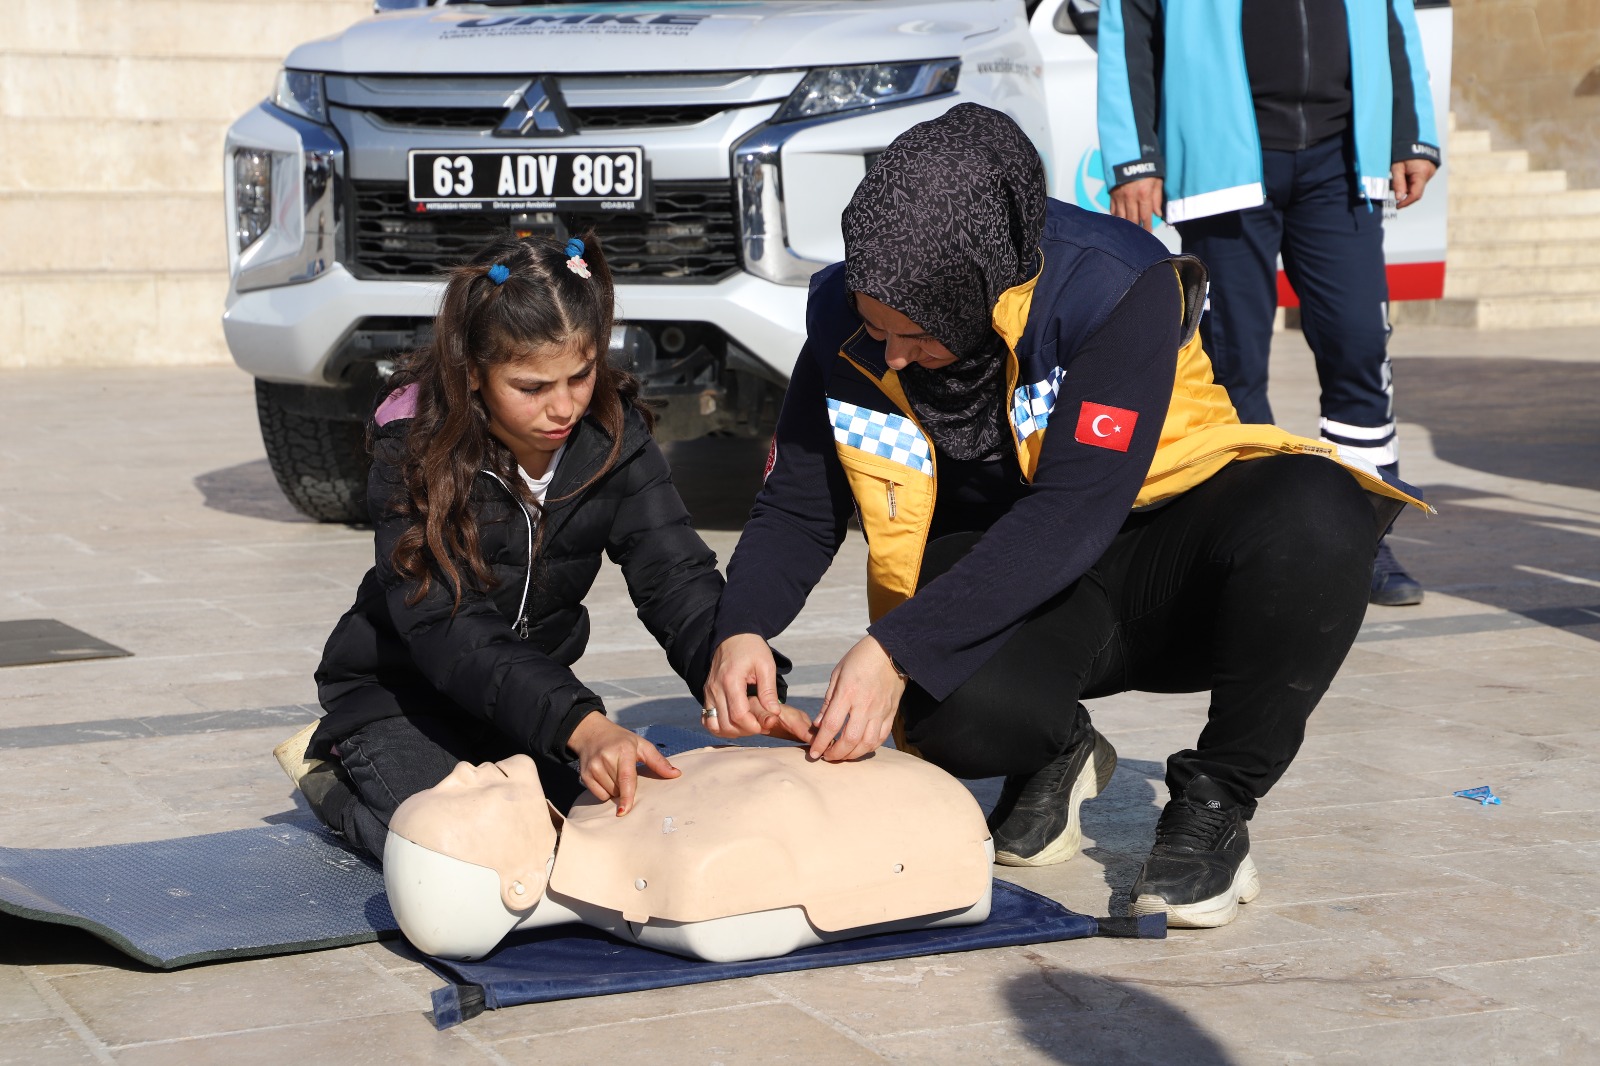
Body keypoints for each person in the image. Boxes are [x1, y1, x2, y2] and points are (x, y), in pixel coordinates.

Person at [702, 105, 1426, 928]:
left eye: (917, 335)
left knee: (1318, 511)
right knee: (943, 715)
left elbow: (1076, 510)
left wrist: (894, 647)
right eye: (877, 329)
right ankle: (1059, 750)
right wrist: (743, 628)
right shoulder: (849, 315)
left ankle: (1215, 804)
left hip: (1172, 555)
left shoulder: (1115, 286)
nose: (892, 354)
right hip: (1031, 580)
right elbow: (800, 499)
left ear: (977, 288)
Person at [276, 232, 786, 861]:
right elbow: (444, 623)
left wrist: (734, 665)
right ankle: (331, 777)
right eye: (531, 386)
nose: (564, 406)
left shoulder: (613, 436)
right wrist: (583, 725)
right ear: (473, 373)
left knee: (608, 839)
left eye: (580, 374)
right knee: (471, 854)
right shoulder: (414, 445)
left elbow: (675, 573)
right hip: (400, 700)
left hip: (519, 705)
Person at [1098, 0, 1441, 606]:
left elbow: (1393, 20)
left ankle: (1364, 536)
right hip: (1219, 164)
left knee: (1358, 346)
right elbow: (1128, 24)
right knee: (1234, 366)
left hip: (1342, 161)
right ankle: (1255, 546)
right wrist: (1134, 156)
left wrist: (1412, 132)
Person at [383, 745, 993, 962]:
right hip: (932, 810)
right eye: (460, 800)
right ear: (516, 886)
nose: (462, 771)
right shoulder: (685, 883)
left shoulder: (600, 802)